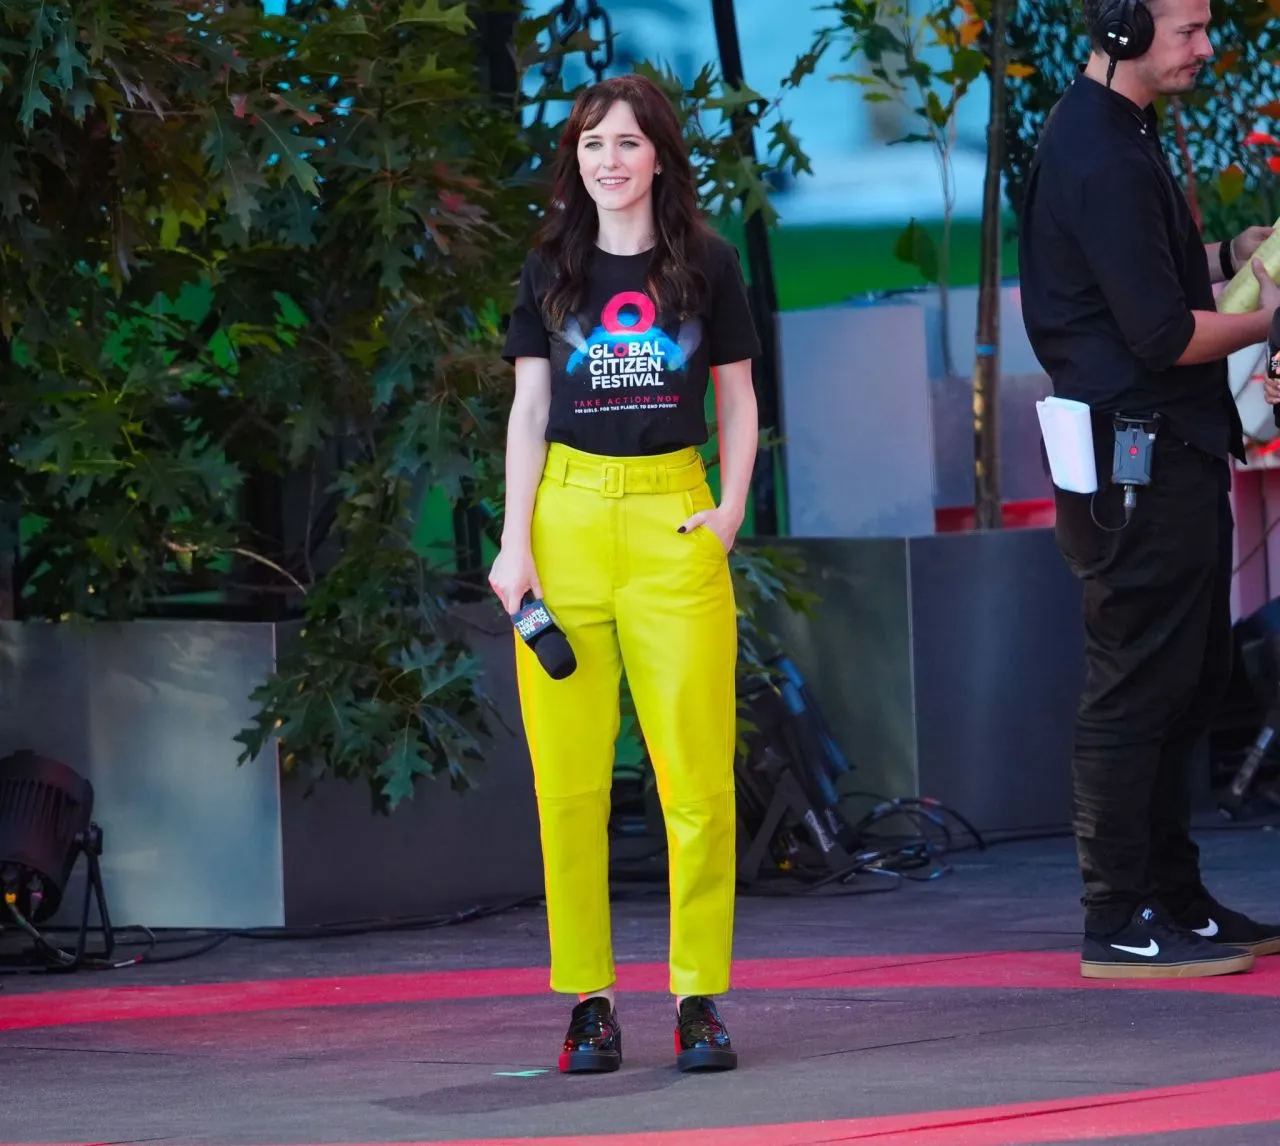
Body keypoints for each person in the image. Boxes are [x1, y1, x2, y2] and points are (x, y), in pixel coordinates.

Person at [491, 73, 761, 1072]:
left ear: (659, 157)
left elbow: (736, 399)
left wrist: (729, 509)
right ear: (576, 160)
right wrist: (514, 543)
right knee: (566, 784)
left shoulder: (707, 264)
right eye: (592, 144)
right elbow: (526, 411)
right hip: (562, 522)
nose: (609, 161)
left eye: (627, 143)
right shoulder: (547, 269)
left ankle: (698, 997)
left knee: (694, 783)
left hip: (672, 520)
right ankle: (588, 1003)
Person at [1019, 0, 1280, 979]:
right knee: (1133, 678)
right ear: (1124, 26)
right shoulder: (1099, 154)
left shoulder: (1120, 133)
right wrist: (1269, 320)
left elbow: (1143, 286)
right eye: (1188, 28)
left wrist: (1227, 261)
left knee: (1185, 676)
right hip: (1133, 449)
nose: (1204, 47)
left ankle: (1174, 898)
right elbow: (1163, 337)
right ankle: (1114, 916)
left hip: (1160, 444)